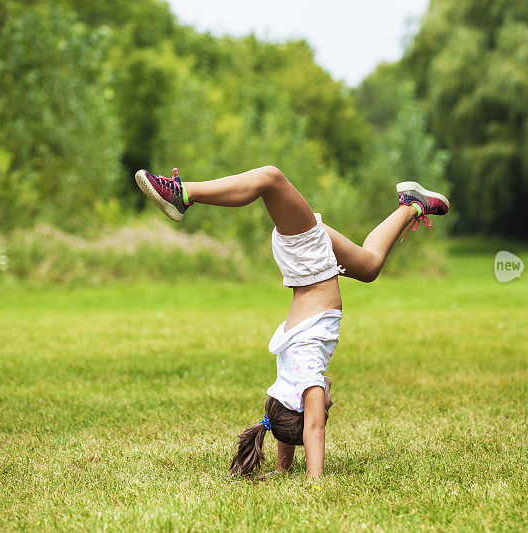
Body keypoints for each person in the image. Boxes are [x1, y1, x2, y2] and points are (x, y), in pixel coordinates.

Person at [134, 165, 449, 478]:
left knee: (270, 178)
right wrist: (282, 468)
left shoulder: (308, 380)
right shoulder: (285, 388)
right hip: (310, 263)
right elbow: (287, 422)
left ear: (307, 404)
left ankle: (183, 194)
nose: (330, 404)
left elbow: (311, 427)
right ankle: (412, 205)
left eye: (325, 407)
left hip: (308, 260)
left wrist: (315, 482)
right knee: (367, 266)